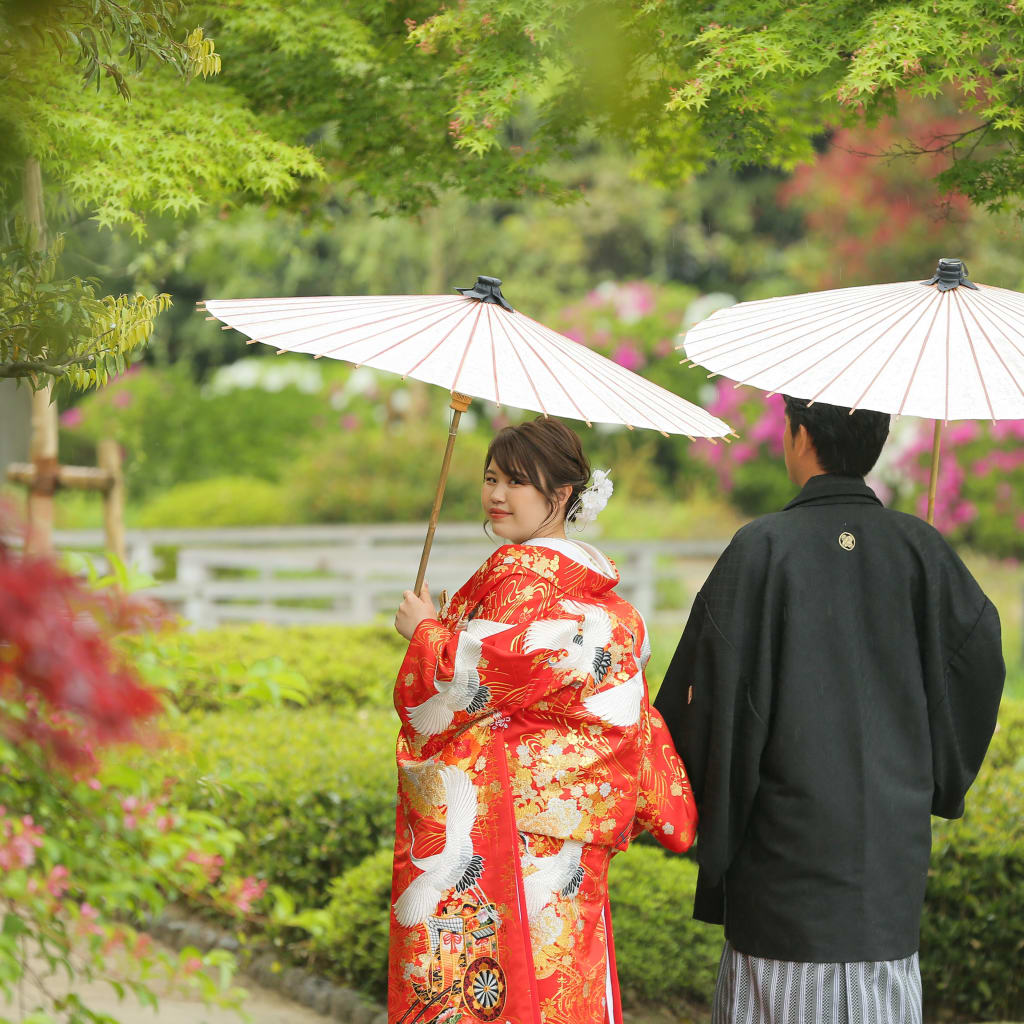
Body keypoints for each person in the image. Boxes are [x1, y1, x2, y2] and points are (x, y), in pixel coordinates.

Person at [655, 396, 1005, 1024]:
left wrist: (698, 793)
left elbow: (701, 690)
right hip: (887, 852)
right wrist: (936, 774)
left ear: (800, 437)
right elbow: (976, 659)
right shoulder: (920, 548)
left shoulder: (761, 547)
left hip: (780, 852)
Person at [388, 416, 698, 1024]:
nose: (496, 495)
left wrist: (425, 633)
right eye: (489, 478)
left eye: (516, 482)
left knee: (509, 983)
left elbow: (475, 677)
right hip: (572, 819)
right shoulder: (597, 590)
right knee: (566, 978)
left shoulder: (521, 576)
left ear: (561, 496)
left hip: (512, 821)